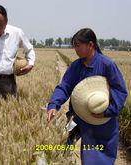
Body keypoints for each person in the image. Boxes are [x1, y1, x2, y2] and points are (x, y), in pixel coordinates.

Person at [47, 28, 127, 164]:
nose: (75, 50)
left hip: (103, 122)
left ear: (90, 45)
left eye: (78, 46)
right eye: (74, 46)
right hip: (78, 116)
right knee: (60, 147)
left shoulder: (107, 65)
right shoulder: (75, 66)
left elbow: (120, 91)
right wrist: (54, 104)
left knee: (96, 159)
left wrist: (107, 111)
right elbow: (64, 86)